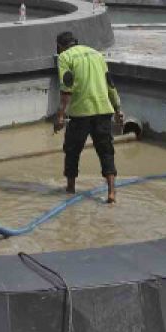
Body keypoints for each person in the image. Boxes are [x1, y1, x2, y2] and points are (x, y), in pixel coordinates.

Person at [52, 32, 124, 204]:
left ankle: (70, 189)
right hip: (103, 110)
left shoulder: (64, 57)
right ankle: (111, 192)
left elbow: (66, 90)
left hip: (81, 113)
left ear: (60, 46)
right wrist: (118, 109)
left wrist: (60, 117)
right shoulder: (97, 54)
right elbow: (110, 84)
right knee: (106, 151)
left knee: (72, 151)